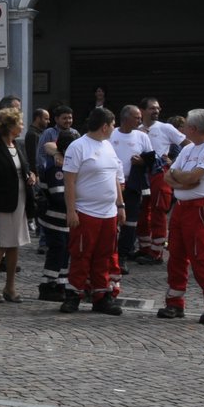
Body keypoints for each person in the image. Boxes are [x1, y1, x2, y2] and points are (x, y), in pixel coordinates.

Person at [157, 108, 204, 324]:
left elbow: (192, 177)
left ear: (194, 128)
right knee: (176, 255)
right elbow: (170, 176)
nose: (184, 127)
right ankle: (175, 303)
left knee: (201, 257)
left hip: (202, 208)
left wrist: (183, 178)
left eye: (187, 124)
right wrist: (183, 180)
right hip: (182, 207)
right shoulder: (189, 149)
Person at [61, 107, 126, 315]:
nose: (115, 128)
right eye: (113, 125)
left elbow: (115, 177)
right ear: (105, 126)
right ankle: (73, 295)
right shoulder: (78, 146)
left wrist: (120, 205)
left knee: (104, 256)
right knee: (81, 255)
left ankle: (101, 296)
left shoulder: (108, 146)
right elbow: (69, 181)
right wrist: (71, 210)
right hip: (86, 211)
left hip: (109, 213)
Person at [0, 107, 33, 304]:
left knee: (14, 244)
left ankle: (10, 286)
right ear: (10, 125)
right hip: (1, 203)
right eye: (19, 122)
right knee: (0, 245)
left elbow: (24, 168)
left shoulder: (17, 145)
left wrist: (31, 175)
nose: (22, 126)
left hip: (19, 201)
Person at [107, 105, 154, 277]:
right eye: (136, 117)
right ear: (125, 118)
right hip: (111, 185)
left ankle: (123, 256)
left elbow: (151, 160)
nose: (140, 121)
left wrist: (142, 162)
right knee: (111, 221)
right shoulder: (111, 135)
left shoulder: (142, 136)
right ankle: (108, 255)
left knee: (131, 222)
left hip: (133, 186)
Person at [135, 97, 183, 263]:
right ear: (142, 111)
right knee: (141, 211)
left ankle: (157, 253)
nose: (156, 111)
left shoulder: (166, 128)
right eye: (152, 108)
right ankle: (144, 248)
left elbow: (188, 143)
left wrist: (176, 162)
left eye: (157, 108)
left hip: (159, 173)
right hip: (141, 174)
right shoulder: (136, 130)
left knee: (158, 211)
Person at [36, 129, 79, 301]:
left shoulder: (63, 164)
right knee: (58, 250)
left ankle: (60, 283)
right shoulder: (57, 168)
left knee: (64, 252)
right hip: (54, 219)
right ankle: (48, 285)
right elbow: (59, 195)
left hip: (61, 220)